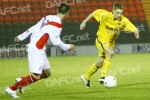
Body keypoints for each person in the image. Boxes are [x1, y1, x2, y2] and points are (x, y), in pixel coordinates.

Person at [5, 3, 76, 98]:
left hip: (40, 49)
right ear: (67, 13)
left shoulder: (48, 17)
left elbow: (34, 27)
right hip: (36, 49)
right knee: (36, 76)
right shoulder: (57, 24)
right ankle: (11, 88)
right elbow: (56, 42)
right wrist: (68, 47)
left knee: (47, 73)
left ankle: (22, 81)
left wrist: (21, 36)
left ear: (57, 11)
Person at [80, 2, 139, 88]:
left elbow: (134, 28)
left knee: (99, 64)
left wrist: (136, 33)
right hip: (101, 39)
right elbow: (94, 13)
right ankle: (103, 76)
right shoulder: (104, 15)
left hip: (110, 43)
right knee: (111, 53)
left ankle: (85, 77)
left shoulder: (123, 20)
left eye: (121, 13)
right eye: (117, 12)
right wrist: (84, 22)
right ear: (113, 11)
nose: (119, 15)